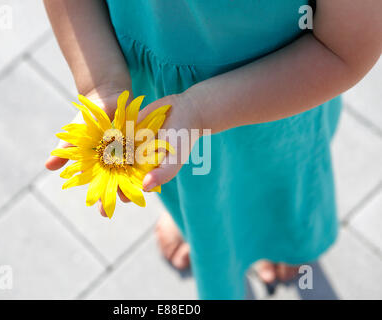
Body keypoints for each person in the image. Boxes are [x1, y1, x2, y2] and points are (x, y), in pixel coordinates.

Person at [44, 0, 382, 299]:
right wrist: (101, 82)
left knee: (280, 191)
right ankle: (188, 221)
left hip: (272, 97)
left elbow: (342, 50)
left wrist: (201, 111)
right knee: (181, 186)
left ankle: (280, 242)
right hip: (154, 92)